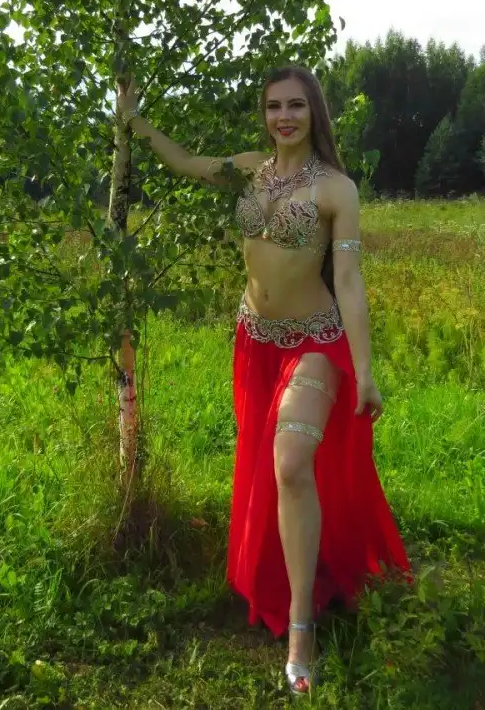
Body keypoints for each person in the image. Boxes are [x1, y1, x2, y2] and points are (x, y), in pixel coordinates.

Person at [117, 65, 411, 697]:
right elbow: (186, 162)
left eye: (296, 106)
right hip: (255, 342)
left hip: (315, 342)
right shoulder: (250, 170)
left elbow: (349, 280)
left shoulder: (336, 189)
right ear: (264, 114)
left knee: (292, 463)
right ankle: (291, 575)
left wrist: (364, 370)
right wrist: (135, 122)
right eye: (274, 106)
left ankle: (301, 627)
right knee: (270, 465)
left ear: (314, 113)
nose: (284, 117)